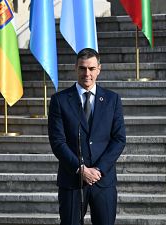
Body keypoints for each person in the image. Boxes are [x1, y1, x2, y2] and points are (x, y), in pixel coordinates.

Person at [48, 48, 126, 225]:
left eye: (91, 68)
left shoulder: (112, 100)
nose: (87, 73)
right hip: (72, 180)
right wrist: (81, 169)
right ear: (75, 68)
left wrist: (98, 170)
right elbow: (57, 141)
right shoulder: (60, 100)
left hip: (103, 181)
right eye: (82, 68)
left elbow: (119, 138)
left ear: (99, 69)